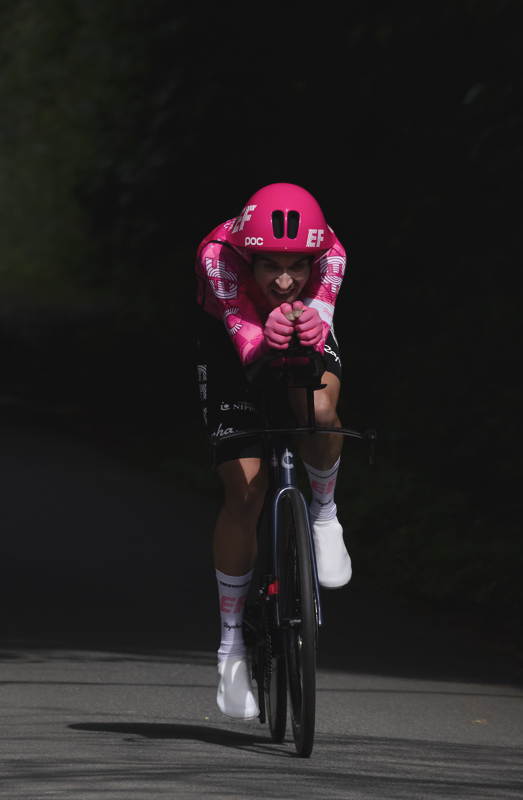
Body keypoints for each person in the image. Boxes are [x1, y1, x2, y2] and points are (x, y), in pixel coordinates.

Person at [194, 183, 348, 720]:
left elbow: (316, 329)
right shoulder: (218, 256)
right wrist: (273, 336)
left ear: (314, 257)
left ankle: (325, 514)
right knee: (248, 490)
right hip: (232, 340)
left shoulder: (332, 254)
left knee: (319, 413)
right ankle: (231, 646)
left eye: (297, 268)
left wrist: (307, 328)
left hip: (300, 334)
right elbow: (250, 352)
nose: (285, 281)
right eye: (270, 268)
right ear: (248, 258)